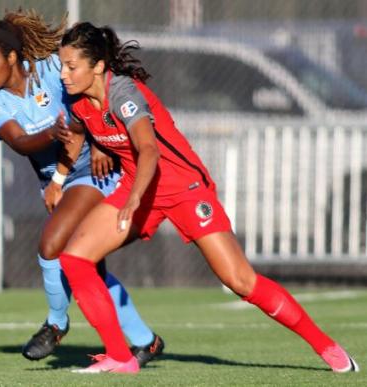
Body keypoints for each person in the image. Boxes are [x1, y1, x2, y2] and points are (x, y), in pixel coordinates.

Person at [56, 22, 360, 374]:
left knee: (240, 280)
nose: (63, 74)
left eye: (71, 66)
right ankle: (120, 357)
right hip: (136, 186)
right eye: (62, 65)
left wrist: (134, 199)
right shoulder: (77, 100)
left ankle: (328, 347)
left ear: (98, 66)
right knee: (75, 258)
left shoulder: (123, 93)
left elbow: (149, 150)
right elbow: (80, 129)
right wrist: (63, 175)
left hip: (181, 188)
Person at [0, 10, 164, 366]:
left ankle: (56, 323)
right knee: (89, 268)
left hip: (94, 171)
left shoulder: (49, 70)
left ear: (11, 57)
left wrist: (104, 144)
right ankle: (145, 340)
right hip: (58, 180)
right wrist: (53, 141)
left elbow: (95, 96)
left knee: (50, 245)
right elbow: (20, 142)